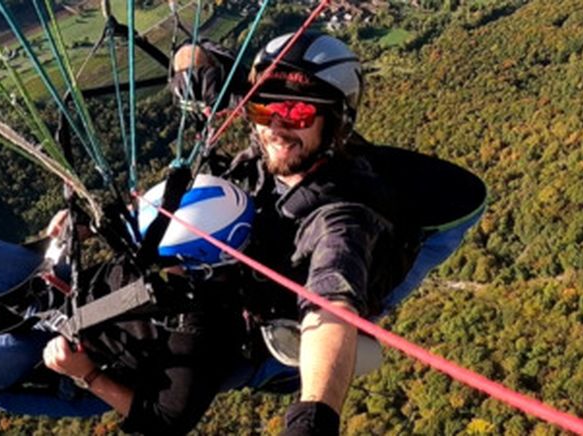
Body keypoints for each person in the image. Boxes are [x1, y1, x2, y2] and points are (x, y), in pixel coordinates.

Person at [173, 32, 484, 435]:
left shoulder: (343, 219)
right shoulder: (272, 132)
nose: (278, 127)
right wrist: (208, 77)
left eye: (299, 114)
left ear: (335, 121)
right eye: (266, 110)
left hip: (270, 333)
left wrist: (313, 419)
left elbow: (331, 305)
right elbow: (191, 53)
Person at [0, 175, 254, 436]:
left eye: (157, 255)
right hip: (60, 286)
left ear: (198, 263)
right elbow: (130, 237)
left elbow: (165, 421)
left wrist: (87, 373)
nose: (144, 254)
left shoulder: (201, 329)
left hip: (64, 348)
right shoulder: (180, 241)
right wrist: (78, 232)